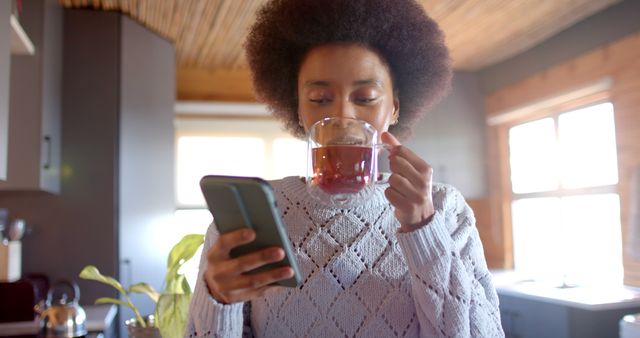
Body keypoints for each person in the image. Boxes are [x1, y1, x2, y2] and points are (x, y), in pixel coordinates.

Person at [186, 0, 504, 337]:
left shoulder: (445, 209)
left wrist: (424, 227)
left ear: (394, 108)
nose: (343, 117)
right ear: (297, 108)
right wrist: (218, 299)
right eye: (320, 99)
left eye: (365, 97)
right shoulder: (251, 217)